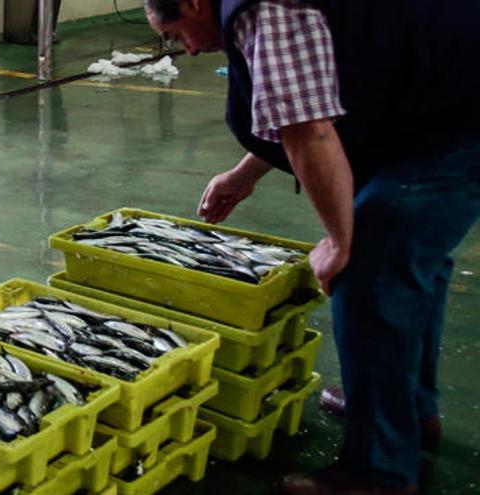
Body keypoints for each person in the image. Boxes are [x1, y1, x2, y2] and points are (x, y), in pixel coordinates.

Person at [143, 1, 480, 494]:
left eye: (177, 33)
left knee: (373, 266)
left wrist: (341, 241)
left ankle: (380, 471)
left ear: (195, 3)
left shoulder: (264, 9)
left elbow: (312, 130)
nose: (188, 49)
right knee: (409, 257)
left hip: (458, 115)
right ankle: (407, 412)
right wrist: (243, 175)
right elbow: (302, 100)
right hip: (432, 105)